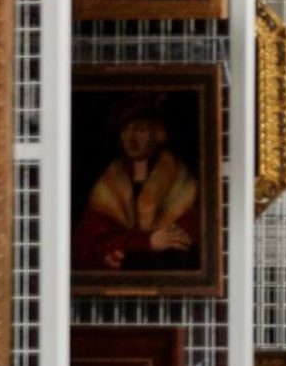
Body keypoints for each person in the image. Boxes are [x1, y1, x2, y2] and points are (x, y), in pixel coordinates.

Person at [77, 99, 199, 273]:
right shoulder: (107, 185)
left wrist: (128, 250)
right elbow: (88, 245)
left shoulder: (181, 183)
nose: (131, 139)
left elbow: (186, 245)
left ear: (158, 133)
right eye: (126, 130)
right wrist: (147, 242)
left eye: (140, 130)